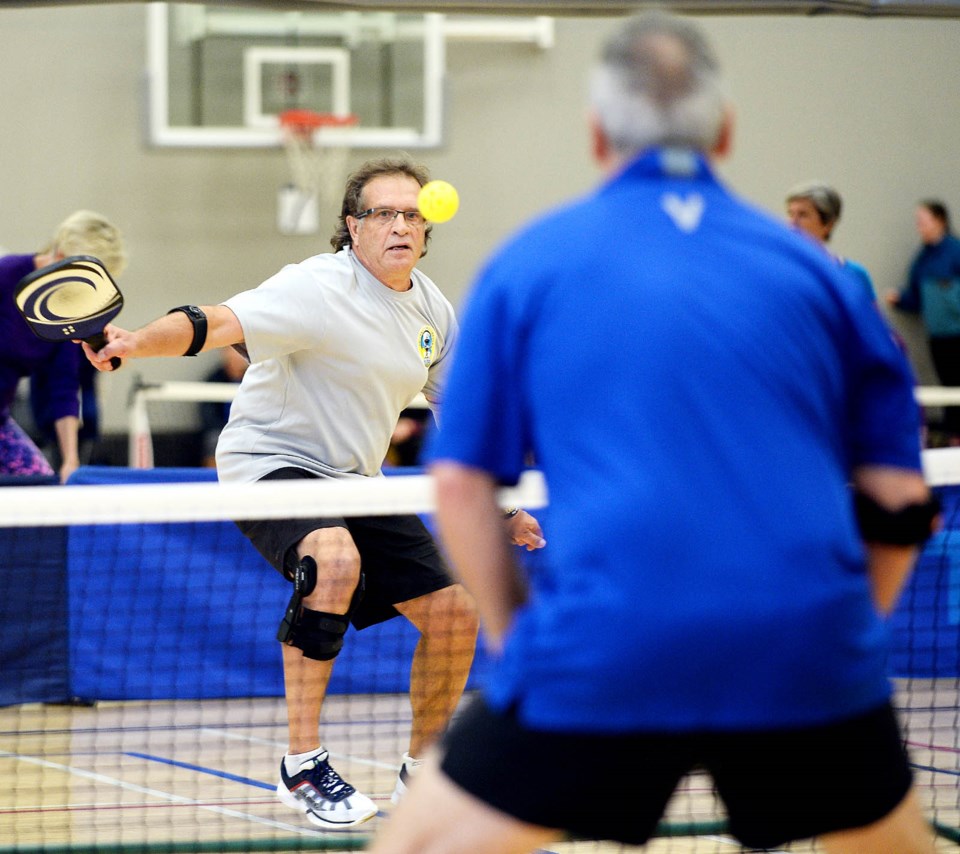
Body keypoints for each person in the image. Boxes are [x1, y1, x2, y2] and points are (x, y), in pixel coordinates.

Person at [371, 12, 939, 854]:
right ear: (727, 131)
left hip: (606, 643)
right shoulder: (822, 279)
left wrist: (520, 641)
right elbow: (899, 497)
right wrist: (847, 632)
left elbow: (460, 484)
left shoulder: (532, 264)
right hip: (802, 644)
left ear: (598, 134)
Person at [82, 157, 545, 830]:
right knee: (332, 560)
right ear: (352, 228)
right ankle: (301, 765)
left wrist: (500, 504)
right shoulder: (316, 288)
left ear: (427, 228)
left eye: (412, 214)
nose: (400, 225)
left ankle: (426, 773)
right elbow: (216, 322)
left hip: (356, 478)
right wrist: (137, 342)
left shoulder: (430, 309)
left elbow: (460, 412)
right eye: (383, 213)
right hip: (270, 464)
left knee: (454, 611)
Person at [0, 210, 127, 482]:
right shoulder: (6, 274)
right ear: (60, 257)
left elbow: (64, 386)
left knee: (43, 487)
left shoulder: (66, 313)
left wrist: (71, 460)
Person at [886, 199, 960, 442]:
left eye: (923, 221)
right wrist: (899, 299)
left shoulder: (954, 252)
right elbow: (915, 296)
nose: (920, 227)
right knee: (947, 387)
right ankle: (954, 438)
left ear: (939, 221)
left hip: (957, 333)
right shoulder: (923, 259)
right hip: (938, 337)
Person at [785, 180, 876, 299]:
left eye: (803, 215)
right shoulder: (779, 268)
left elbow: (867, 316)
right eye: (790, 214)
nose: (792, 223)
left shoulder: (853, 274)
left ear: (828, 224)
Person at [197, 345, 248, 467]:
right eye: (232, 352)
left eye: (239, 353)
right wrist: (227, 431)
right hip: (221, 429)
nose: (236, 356)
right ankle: (213, 480)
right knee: (213, 439)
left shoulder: (255, 379)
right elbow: (208, 414)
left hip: (248, 428)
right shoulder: (213, 379)